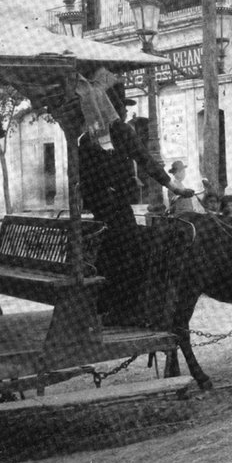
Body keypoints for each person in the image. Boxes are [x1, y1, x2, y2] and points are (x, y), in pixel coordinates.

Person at [78, 82, 195, 326]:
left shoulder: (86, 136)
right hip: (115, 206)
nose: (124, 112)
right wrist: (174, 187)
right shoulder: (120, 131)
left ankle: (105, 307)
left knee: (112, 251)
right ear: (112, 106)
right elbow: (146, 160)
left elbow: (85, 177)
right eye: (122, 105)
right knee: (135, 251)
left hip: (99, 206)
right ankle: (128, 311)